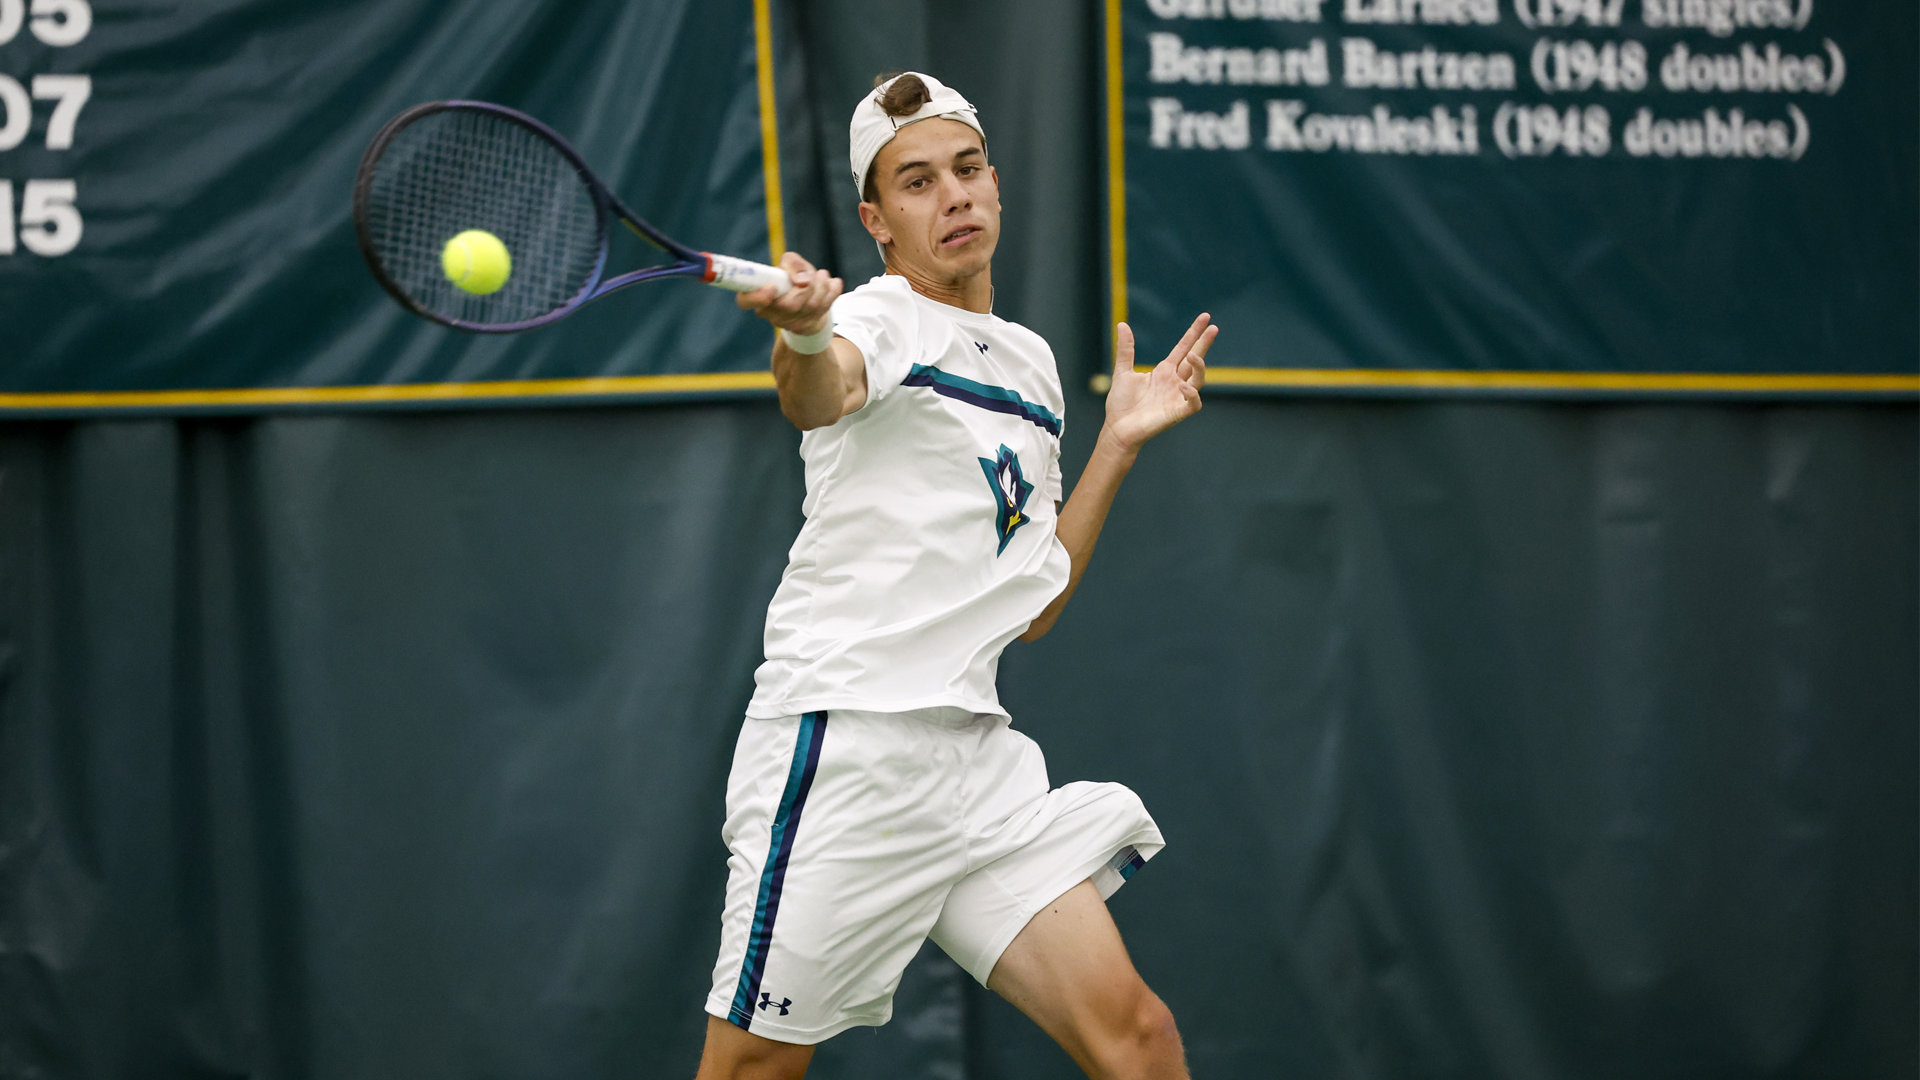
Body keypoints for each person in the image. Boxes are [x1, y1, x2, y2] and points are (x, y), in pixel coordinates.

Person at [694, 71, 1216, 1080]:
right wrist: (803, 330)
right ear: (877, 221)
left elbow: (1035, 605)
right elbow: (821, 392)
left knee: (1138, 1037)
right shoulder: (883, 320)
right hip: (847, 746)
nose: (956, 197)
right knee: (754, 1066)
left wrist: (1117, 445)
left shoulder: (1029, 366)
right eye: (919, 182)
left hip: (971, 761)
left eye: (968, 170)